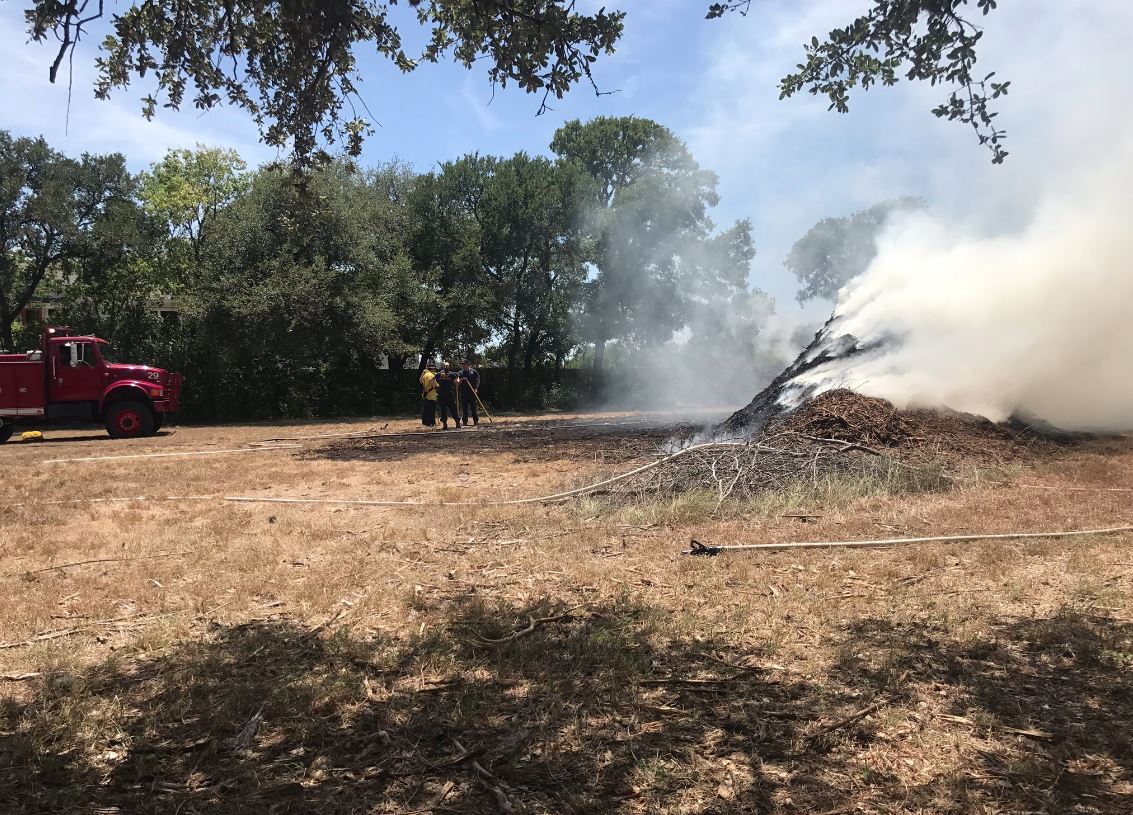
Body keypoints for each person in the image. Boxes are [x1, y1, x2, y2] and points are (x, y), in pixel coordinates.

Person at [435, 361, 461, 429]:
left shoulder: (440, 374)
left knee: (448, 409)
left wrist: (436, 386)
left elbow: (432, 380)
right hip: (446, 394)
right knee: (448, 409)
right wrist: (457, 378)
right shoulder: (448, 374)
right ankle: (448, 424)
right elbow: (457, 383)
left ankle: (453, 423)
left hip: (446, 394)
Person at [457, 358, 481, 427]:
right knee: (464, 408)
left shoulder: (473, 371)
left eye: (464, 364)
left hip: (472, 392)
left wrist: (476, 388)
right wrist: (462, 379)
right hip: (463, 393)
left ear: (468, 364)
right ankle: (465, 422)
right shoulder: (460, 373)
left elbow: (478, 379)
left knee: (473, 407)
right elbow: (457, 382)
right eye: (462, 364)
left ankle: (475, 421)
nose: (463, 365)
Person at [419, 361, 438, 426]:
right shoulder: (432, 375)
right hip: (431, 395)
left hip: (425, 394)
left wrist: (422, 373)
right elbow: (434, 385)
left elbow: (421, 381)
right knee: (431, 410)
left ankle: (424, 422)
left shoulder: (425, 374)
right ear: (432, 369)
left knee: (425, 410)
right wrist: (437, 386)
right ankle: (431, 423)